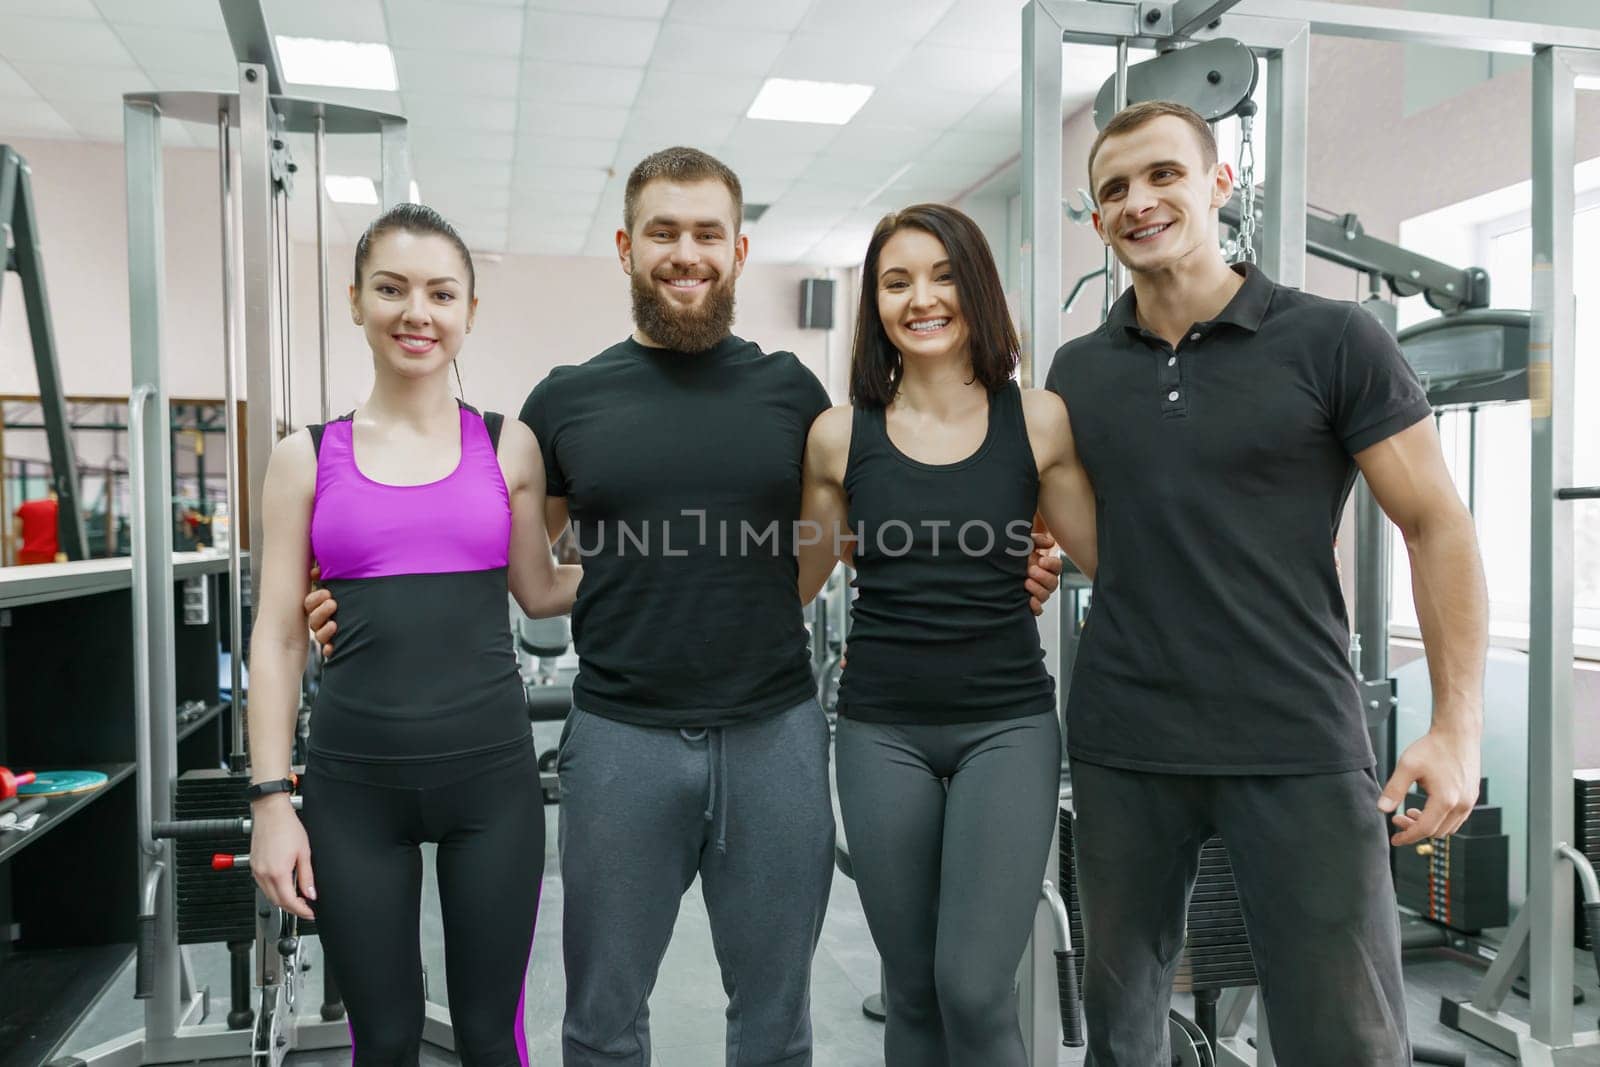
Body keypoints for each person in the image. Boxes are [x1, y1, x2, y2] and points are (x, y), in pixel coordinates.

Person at [306, 148, 1063, 1067]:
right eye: (662, 231)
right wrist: (354, 596)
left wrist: (1026, 553)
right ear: (627, 246)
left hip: (776, 737)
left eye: (708, 232)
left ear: (740, 250)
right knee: (602, 1023)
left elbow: (877, 526)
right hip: (622, 741)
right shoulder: (566, 399)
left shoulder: (795, 394)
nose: (686, 252)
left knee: (777, 1025)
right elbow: (502, 553)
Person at [1048, 100, 1488, 1064]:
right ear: (1097, 220)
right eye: (1113, 188)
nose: (1139, 200)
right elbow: (1100, 537)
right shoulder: (1076, 372)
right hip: (1129, 737)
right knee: (1122, 1035)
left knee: (1348, 1035)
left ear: (1219, 184)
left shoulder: (1334, 340)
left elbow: (1436, 524)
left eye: (1164, 174)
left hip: (1296, 732)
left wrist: (1456, 724)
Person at [248, 203, 579, 1065]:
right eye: (391, 289)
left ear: (469, 310)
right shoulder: (303, 456)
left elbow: (543, 591)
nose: (416, 313)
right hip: (355, 791)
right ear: (355, 300)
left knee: (490, 1041)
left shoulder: (510, 447)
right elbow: (279, 640)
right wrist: (270, 801)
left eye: (440, 292)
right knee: (385, 1040)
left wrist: (670, 573)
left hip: (492, 784)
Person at [796, 203, 1095, 1066]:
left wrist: (1046, 561)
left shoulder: (1037, 421)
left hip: (1006, 724)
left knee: (973, 985)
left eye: (942, 275)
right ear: (876, 305)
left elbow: (1106, 556)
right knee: (913, 990)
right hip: (880, 725)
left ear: (977, 287)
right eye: (896, 282)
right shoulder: (838, 436)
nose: (920, 298)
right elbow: (795, 583)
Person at [14, 487, 64, 564]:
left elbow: (17, 533)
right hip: (50, 557)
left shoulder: (26, 506)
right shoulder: (59, 509)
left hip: (27, 557)